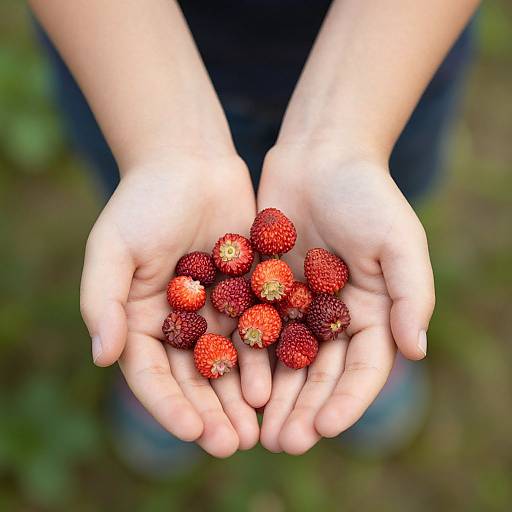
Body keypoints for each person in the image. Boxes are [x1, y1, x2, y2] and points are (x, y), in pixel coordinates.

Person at [30, 0, 478, 463]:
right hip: (122, 74)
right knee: (144, 214)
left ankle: (380, 344)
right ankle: (159, 376)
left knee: (388, 196)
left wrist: (346, 146)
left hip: (391, 69)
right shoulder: (242, 282)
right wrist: (161, 149)